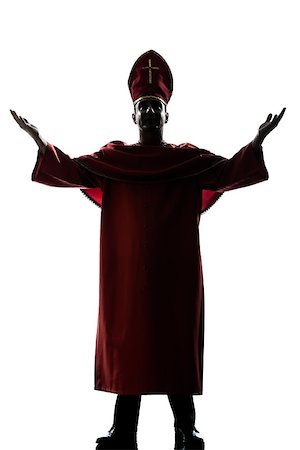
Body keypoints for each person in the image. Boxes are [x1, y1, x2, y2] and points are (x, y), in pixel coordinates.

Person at [11, 49, 285, 450]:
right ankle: (123, 432)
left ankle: (185, 430)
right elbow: (71, 170)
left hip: (177, 274)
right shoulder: (113, 160)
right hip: (126, 276)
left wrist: (256, 141)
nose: (151, 112)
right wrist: (42, 142)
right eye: (144, 106)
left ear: (167, 114)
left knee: (174, 341)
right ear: (134, 115)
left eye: (156, 105)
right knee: (130, 343)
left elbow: (228, 172)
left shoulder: (187, 161)